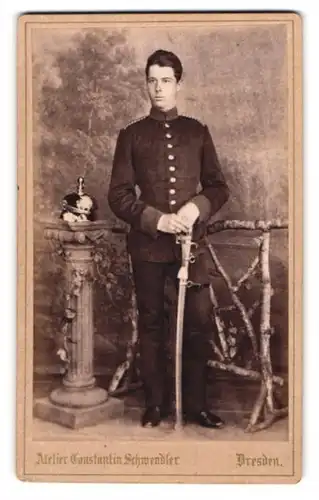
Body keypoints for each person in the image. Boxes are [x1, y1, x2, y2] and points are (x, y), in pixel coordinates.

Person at [108, 49, 229, 428]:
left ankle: (195, 406)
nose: (158, 88)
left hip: (192, 250)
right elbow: (118, 195)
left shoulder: (197, 132)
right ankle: (155, 404)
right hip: (148, 247)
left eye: (165, 80)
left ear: (178, 84)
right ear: (146, 84)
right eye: (151, 80)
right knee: (152, 323)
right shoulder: (131, 135)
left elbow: (218, 187)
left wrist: (196, 208)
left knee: (196, 325)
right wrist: (156, 220)